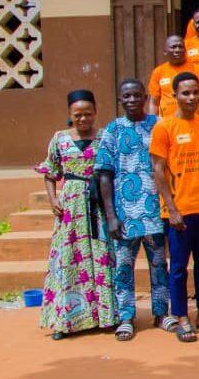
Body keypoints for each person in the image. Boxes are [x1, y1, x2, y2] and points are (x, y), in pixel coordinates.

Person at [38, 90, 117, 339]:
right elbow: (50, 173)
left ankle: (105, 317)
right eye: (78, 115)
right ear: (70, 115)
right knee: (69, 261)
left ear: (95, 112)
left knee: (102, 256)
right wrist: (53, 200)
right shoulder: (59, 139)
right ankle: (67, 320)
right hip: (70, 208)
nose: (83, 119)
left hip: (98, 205)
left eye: (88, 114)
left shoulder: (106, 136)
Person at [150, 72, 199, 343]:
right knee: (179, 266)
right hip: (179, 211)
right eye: (185, 93)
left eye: (195, 93)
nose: (191, 98)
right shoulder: (164, 127)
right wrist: (172, 208)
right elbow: (158, 169)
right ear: (175, 95)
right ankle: (181, 316)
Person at [96, 80, 168, 341]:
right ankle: (126, 316)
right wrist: (111, 216)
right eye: (126, 96)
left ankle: (161, 313)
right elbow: (104, 175)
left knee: (159, 264)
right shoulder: (112, 130)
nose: (132, 100)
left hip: (155, 210)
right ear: (120, 99)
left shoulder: (158, 124)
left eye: (137, 95)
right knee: (124, 267)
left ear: (145, 97)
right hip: (125, 214)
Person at [148, 35, 199, 117]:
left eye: (180, 47)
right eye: (173, 47)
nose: (177, 50)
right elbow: (154, 102)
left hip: (191, 121)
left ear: (185, 50)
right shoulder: (158, 72)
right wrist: (152, 123)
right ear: (165, 51)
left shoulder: (197, 70)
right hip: (166, 122)